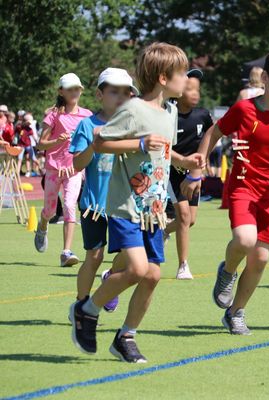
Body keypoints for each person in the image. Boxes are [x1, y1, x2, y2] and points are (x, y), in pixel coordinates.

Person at [69, 42, 204, 363]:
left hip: (153, 211)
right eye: (182, 73)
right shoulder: (133, 109)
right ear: (162, 78)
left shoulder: (170, 112)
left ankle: (125, 336)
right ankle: (86, 310)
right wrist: (139, 141)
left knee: (153, 276)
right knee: (138, 269)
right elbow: (101, 142)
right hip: (126, 207)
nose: (187, 80)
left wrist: (185, 159)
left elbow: (163, 151)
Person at [182, 48, 269, 335]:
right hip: (243, 185)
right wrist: (196, 171)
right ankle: (227, 270)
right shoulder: (244, 109)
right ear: (265, 77)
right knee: (245, 239)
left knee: (261, 258)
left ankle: (235, 312)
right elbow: (214, 133)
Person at [69, 67, 138, 312]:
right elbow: (77, 164)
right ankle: (81, 303)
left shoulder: (132, 125)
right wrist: (95, 145)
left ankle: (111, 278)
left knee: (132, 257)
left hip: (124, 204)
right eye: (114, 91)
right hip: (94, 205)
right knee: (94, 257)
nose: (121, 97)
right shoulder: (87, 126)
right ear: (99, 95)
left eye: (126, 92)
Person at [33, 73, 92, 266]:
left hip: (74, 170)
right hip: (53, 169)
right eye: (69, 89)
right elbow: (41, 145)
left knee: (69, 206)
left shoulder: (87, 116)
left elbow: (93, 142)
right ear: (61, 91)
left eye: (77, 88)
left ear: (81, 91)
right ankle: (42, 225)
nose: (74, 92)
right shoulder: (53, 115)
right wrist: (56, 141)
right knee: (50, 211)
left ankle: (66, 252)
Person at [163, 69, 213, 280]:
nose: (195, 94)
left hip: (193, 174)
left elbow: (210, 138)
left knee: (190, 220)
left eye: (197, 90)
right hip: (173, 173)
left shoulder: (203, 115)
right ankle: (183, 265)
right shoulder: (168, 114)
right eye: (189, 89)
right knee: (183, 216)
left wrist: (202, 163)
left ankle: (164, 231)